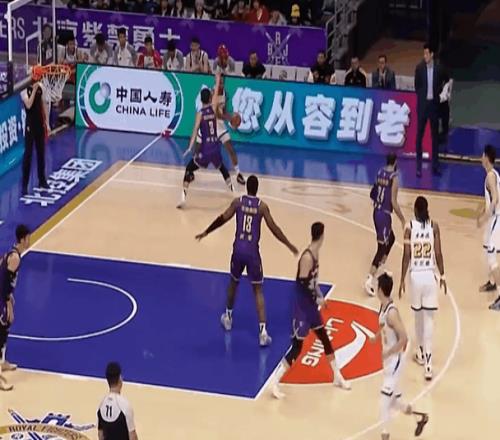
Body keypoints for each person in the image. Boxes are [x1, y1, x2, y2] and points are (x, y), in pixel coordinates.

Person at [195, 175, 298, 346]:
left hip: (238, 250)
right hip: (252, 253)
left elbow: (222, 218)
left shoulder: (238, 202)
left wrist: (206, 232)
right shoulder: (262, 207)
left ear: (246, 188)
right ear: (257, 189)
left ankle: (228, 317)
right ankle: (263, 332)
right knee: (257, 291)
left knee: (233, 283)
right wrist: (288, 244)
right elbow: (274, 228)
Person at [270, 222, 350, 398]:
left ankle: (337, 376)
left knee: (325, 338)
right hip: (301, 306)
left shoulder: (316, 253)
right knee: (297, 347)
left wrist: (320, 295)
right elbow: (303, 284)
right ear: (322, 236)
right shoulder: (307, 257)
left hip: (310, 305)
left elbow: (313, 281)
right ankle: (275, 382)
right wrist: (317, 298)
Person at [371, 273, 429, 440]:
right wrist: (376, 336)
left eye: (377, 285)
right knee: (394, 401)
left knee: (384, 400)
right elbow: (383, 326)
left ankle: (385, 435)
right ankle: (420, 417)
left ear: (380, 290)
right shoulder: (383, 307)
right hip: (389, 360)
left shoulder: (392, 313)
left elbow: (404, 338)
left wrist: (388, 352)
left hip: (395, 360)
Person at [399, 196, 446, 381]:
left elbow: (406, 256)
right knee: (429, 321)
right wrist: (443, 275)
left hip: (415, 276)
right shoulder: (434, 226)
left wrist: (402, 279)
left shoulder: (409, 228)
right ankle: (428, 363)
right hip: (429, 276)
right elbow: (438, 253)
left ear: (415, 210)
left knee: (418, 318)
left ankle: (420, 351)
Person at [178, 74, 233, 208]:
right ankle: (233, 191)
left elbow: (195, 130)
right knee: (222, 167)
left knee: (189, 168)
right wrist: (218, 79)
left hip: (205, 149)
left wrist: (190, 147)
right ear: (209, 98)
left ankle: (183, 197)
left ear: (201, 100)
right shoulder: (213, 108)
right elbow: (216, 94)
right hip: (216, 147)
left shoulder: (200, 113)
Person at [365, 153, 405, 296]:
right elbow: (393, 202)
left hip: (376, 211)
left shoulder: (380, 172)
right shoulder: (394, 178)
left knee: (391, 238)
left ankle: (380, 266)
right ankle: (369, 279)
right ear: (395, 162)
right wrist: (402, 219)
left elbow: (374, 192)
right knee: (382, 247)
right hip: (384, 214)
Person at [195, 73, 245, 185]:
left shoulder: (225, 93)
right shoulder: (212, 94)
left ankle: (238, 173)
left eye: (222, 82)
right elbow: (216, 114)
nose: (221, 83)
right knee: (197, 149)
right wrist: (230, 118)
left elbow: (223, 110)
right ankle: (191, 170)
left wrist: (231, 117)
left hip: (219, 125)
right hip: (209, 122)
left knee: (230, 149)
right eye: (219, 81)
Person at [0, 225, 31, 391]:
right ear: (23, 239)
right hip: (1, 298)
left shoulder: (11, 254)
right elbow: (4, 281)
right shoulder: (15, 258)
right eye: (28, 238)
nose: (29, 240)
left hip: (4, 295)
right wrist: (7, 301)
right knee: (1, 330)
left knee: (6, 327)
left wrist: (9, 295)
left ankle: (2, 362)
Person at [414, 44, 445, 177]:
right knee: (419, 137)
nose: (425, 56)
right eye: (424, 53)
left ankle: (435, 166)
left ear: (432, 54)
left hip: (434, 106)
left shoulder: (439, 68)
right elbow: (417, 86)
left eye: (427, 53)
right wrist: (423, 99)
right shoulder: (419, 68)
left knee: (435, 137)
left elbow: (443, 82)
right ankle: (418, 167)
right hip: (423, 107)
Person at [477, 145, 500, 310]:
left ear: (486, 157)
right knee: (487, 248)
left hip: (497, 218)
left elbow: (495, 199)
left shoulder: (490, 176)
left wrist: (485, 217)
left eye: (482, 155)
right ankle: (492, 282)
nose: (481, 157)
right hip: (494, 218)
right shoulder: (493, 174)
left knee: (492, 257)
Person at [21, 81, 49, 196]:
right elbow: (28, 104)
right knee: (28, 154)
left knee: (41, 153)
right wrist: (33, 90)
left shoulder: (40, 87)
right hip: (30, 126)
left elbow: (44, 104)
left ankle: (42, 180)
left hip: (39, 124)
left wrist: (47, 122)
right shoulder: (23, 89)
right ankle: (24, 185)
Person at [97, 362, 138, 440]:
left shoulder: (101, 404)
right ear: (120, 379)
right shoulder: (125, 406)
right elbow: (132, 437)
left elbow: (100, 435)